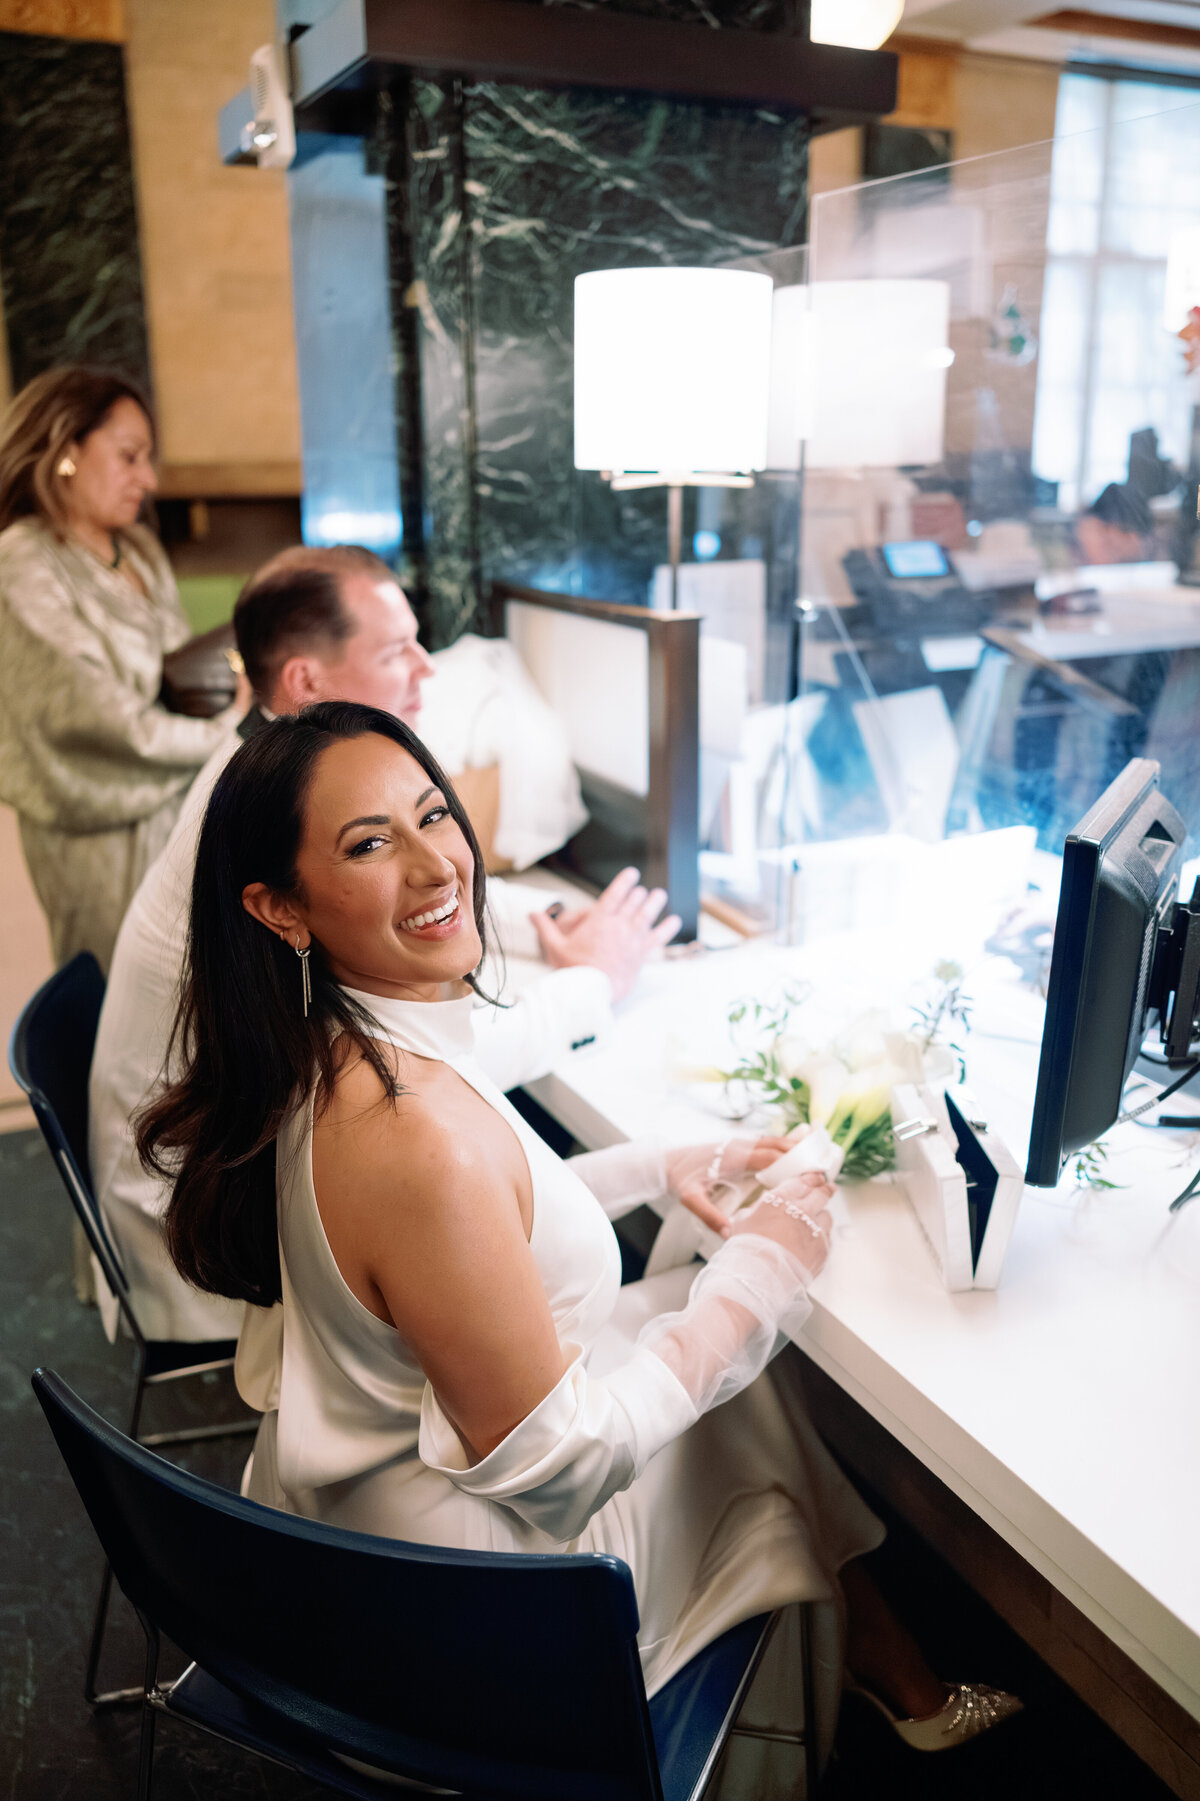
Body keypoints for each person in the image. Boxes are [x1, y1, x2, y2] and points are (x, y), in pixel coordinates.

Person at [136, 701, 1021, 1775]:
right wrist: (757, 1277)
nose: (435, 866)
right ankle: (866, 1675)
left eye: (431, 816)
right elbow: (561, 1466)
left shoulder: (336, 1042)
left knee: (737, 1386)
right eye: (370, 843)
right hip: (472, 1614)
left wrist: (661, 1166)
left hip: (356, 1524)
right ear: (282, 907)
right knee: (741, 1388)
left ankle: (887, 1662)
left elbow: (471, 1230)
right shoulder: (414, 1135)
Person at [89, 544, 680, 1342]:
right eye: (397, 648)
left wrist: (530, 915)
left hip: (228, 1164)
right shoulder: (245, 828)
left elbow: (386, 867)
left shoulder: (267, 779)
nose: (427, 669)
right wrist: (595, 983)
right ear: (306, 683)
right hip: (215, 1225)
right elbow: (410, 1078)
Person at [0, 365, 247, 970]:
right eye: (130, 456)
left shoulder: (135, 548)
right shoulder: (23, 559)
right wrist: (225, 731)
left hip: (177, 801)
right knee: (125, 991)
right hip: (101, 826)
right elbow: (89, 712)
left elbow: (174, 672)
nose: (149, 478)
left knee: (195, 985)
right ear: (65, 452)